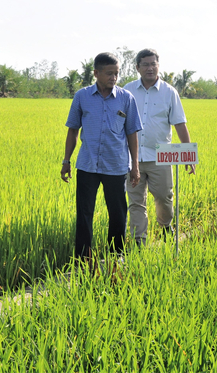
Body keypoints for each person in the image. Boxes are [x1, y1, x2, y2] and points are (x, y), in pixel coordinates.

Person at [61, 52, 142, 260]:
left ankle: (116, 256)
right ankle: (83, 258)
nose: (113, 78)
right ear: (96, 73)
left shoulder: (126, 99)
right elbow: (72, 130)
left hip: (115, 165)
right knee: (84, 213)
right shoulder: (82, 97)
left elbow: (132, 133)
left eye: (116, 73)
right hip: (87, 165)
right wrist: (66, 160)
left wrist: (135, 165)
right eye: (109, 74)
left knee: (117, 213)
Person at [123, 48, 195, 245]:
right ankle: (139, 240)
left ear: (158, 66)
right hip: (132, 157)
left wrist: (188, 155)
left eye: (153, 64)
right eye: (145, 64)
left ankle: (165, 226)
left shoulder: (169, 92)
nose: (150, 68)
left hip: (160, 155)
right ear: (137, 67)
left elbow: (180, 123)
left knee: (164, 196)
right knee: (136, 201)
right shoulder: (127, 90)